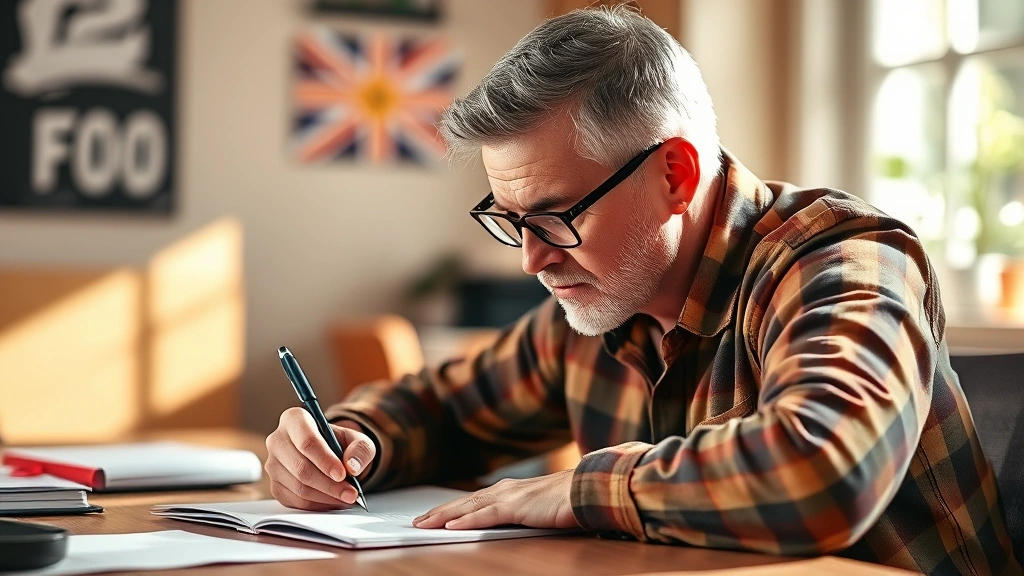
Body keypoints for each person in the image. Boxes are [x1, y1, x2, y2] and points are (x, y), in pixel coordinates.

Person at [264, 5, 1021, 574]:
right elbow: (443, 407)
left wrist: (580, 489)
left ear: (676, 176)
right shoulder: (594, 308)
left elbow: (826, 468)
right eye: (510, 218)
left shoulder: (841, 259)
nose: (532, 260)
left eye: (557, 216)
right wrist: (350, 442)